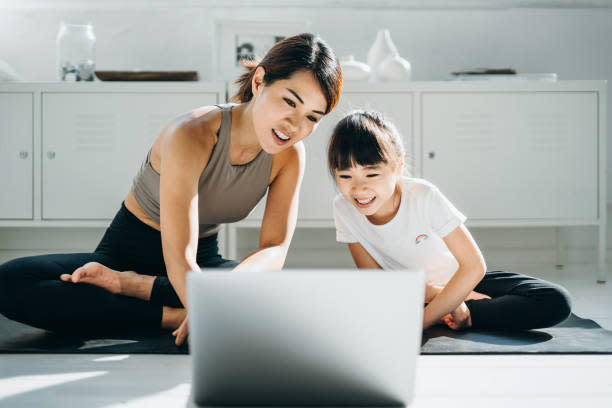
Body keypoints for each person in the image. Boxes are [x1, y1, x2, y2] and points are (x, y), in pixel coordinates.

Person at [0, 33, 342, 346]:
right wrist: (215, 308)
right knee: (10, 283)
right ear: (259, 81)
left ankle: (135, 292)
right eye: (290, 102)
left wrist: (235, 286)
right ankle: (176, 316)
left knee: (281, 293)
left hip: (199, 263)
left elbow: (275, 248)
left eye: (313, 117)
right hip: (128, 254)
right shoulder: (191, 133)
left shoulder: (290, 155)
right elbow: (179, 255)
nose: (295, 126)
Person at [327, 110, 571, 331]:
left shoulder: (423, 195)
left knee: (554, 300)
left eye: (372, 174)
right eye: (345, 175)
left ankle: (460, 315)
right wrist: (436, 296)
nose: (359, 189)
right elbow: (376, 281)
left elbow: (473, 266)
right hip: (408, 294)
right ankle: (454, 314)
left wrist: (423, 322)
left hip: (460, 280)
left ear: (398, 167)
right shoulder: (343, 208)